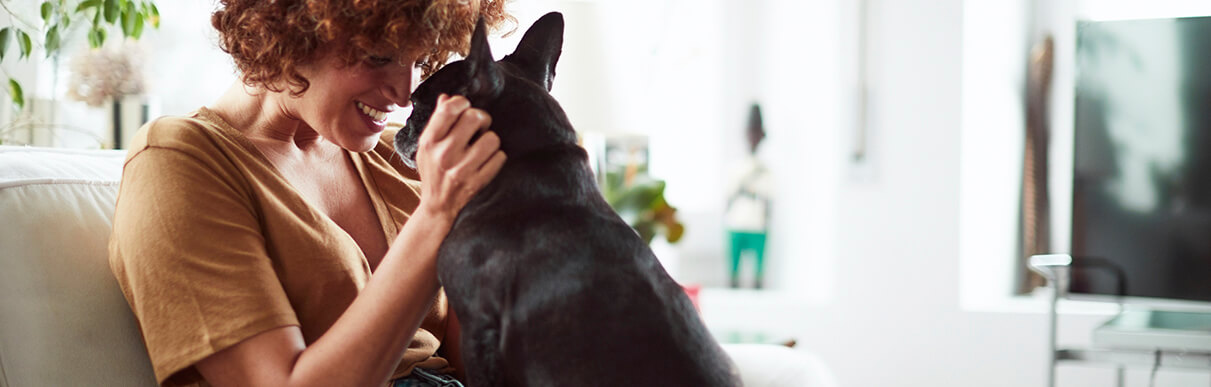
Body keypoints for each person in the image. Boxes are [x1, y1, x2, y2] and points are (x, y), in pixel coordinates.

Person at [107, 0, 510, 386]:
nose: (405, 94)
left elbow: (481, 365)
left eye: (419, 61)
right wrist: (437, 217)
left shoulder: (403, 155)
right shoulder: (180, 159)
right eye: (379, 57)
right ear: (295, 29)